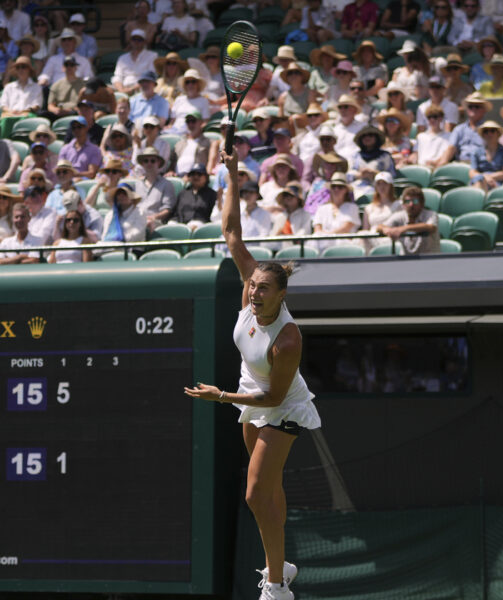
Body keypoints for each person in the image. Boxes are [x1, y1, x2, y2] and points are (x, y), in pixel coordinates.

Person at [184, 150, 320, 600]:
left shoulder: (288, 339)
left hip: (279, 404)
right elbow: (230, 230)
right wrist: (231, 172)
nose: (255, 292)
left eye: (265, 288)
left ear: (282, 294)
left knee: (255, 493)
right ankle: (281, 566)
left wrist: (221, 397)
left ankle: (276, 586)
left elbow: (272, 398)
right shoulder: (249, 291)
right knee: (268, 494)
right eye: (253, 285)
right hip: (247, 393)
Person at [374, 185, 440, 254]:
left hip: (430, 260)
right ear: (403, 204)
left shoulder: (431, 214)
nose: (411, 204)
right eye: (407, 201)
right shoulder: (400, 215)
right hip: (405, 261)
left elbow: (431, 227)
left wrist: (403, 229)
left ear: (422, 203)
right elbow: (380, 227)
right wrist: (387, 230)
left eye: (415, 201)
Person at [312, 171, 360, 250]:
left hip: (344, 246)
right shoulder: (322, 208)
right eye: (333, 186)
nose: (336, 189)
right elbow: (317, 229)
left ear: (346, 190)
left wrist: (327, 235)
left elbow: (346, 228)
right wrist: (326, 236)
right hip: (322, 244)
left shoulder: (352, 207)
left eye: (340, 187)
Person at [113, 29, 157, 96]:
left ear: (144, 42)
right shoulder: (122, 58)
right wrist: (121, 90)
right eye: (134, 39)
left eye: (139, 39)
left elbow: (150, 76)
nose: (136, 42)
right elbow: (117, 77)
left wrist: (132, 89)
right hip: (123, 89)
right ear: (130, 41)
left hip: (143, 89)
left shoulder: (152, 56)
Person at [469, 121, 503, 191]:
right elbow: (472, 172)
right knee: (479, 182)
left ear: (498, 133)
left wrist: (488, 177)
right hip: (479, 180)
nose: (489, 134)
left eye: (492, 131)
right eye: (486, 131)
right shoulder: (476, 151)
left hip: (497, 182)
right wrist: (485, 177)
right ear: (482, 135)